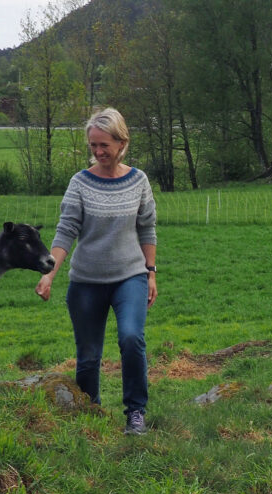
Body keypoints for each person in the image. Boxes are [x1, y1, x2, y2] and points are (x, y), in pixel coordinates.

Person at [36, 107, 157, 435]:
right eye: (93, 146)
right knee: (88, 357)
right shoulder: (80, 183)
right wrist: (49, 274)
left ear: (121, 143)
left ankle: (135, 412)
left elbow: (147, 229)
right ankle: (90, 413)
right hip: (86, 282)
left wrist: (151, 272)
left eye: (105, 145)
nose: (99, 152)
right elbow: (65, 231)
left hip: (129, 276)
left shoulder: (139, 181)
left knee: (132, 338)